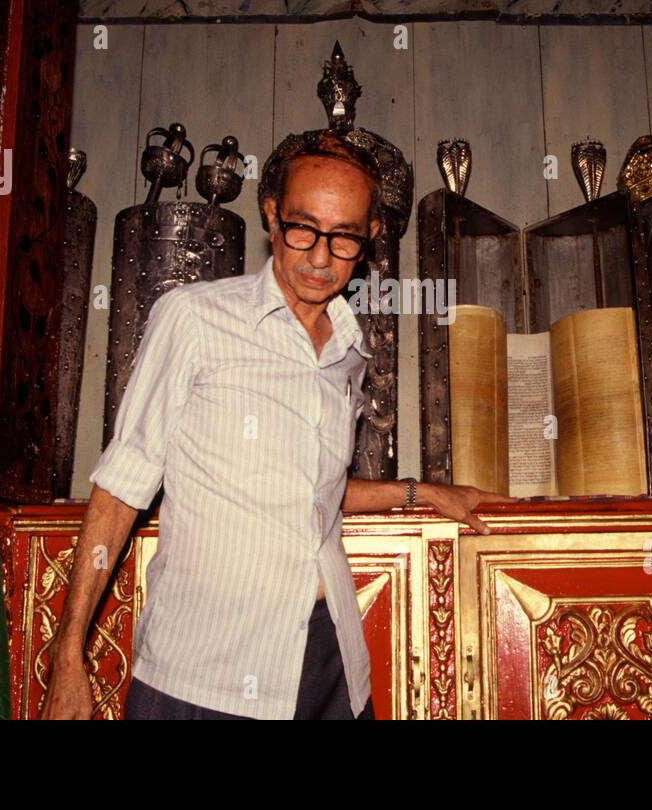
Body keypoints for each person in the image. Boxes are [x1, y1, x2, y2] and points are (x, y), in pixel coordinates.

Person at [41, 132, 503, 721]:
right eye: (302, 228)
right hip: (205, 672)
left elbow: (311, 492)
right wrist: (67, 652)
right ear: (270, 216)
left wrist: (425, 493)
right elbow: (119, 489)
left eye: (344, 238)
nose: (318, 256)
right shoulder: (194, 319)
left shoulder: (348, 351)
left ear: (368, 240)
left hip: (329, 663)